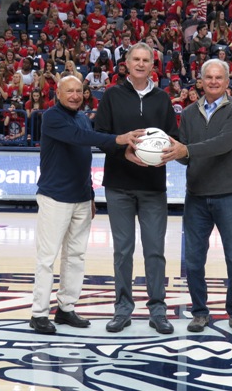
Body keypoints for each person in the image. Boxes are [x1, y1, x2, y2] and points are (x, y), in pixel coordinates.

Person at [29, 76, 143, 334]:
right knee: (47, 258)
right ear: (57, 93)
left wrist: (90, 194)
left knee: (76, 256)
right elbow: (81, 139)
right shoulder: (51, 117)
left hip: (81, 197)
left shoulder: (81, 117)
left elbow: (83, 157)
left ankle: (66, 308)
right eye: (69, 90)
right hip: (55, 198)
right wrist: (119, 139)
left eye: (79, 91)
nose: (75, 95)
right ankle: (39, 313)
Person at [160, 59, 232, 335]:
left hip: (231, 195)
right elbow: (185, 156)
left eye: (218, 78)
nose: (213, 82)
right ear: (200, 81)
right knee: (194, 259)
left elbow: (222, 145)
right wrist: (166, 152)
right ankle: (200, 312)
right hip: (197, 196)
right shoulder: (188, 113)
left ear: (227, 81)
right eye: (208, 77)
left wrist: (185, 151)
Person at [94, 43, 178, 335]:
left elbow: (174, 139)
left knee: (155, 251)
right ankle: (122, 309)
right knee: (123, 251)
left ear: (152, 66)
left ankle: (158, 310)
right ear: (126, 64)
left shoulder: (162, 100)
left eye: (146, 60)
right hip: (119, 185)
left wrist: (165, 154)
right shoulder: (112, 96)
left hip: (153, 186)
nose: (141, 64)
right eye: (136, 60)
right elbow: (100, 137)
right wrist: (123, 149)